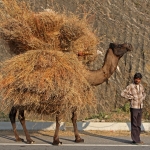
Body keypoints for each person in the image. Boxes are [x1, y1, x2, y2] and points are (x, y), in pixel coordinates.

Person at [121, 73, 146, 145]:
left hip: (140, 107)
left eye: (139, 79)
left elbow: (144, 93)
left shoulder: (141, 86)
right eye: (136, 78)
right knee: (134, 124)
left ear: (140, 80)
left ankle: (137, 138)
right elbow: (122, 93)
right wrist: (131, 97)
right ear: (134, 79)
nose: (137, 80)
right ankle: (136, 140)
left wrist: (142, 97)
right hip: (134, 107)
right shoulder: (130, 86)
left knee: (138, 124)